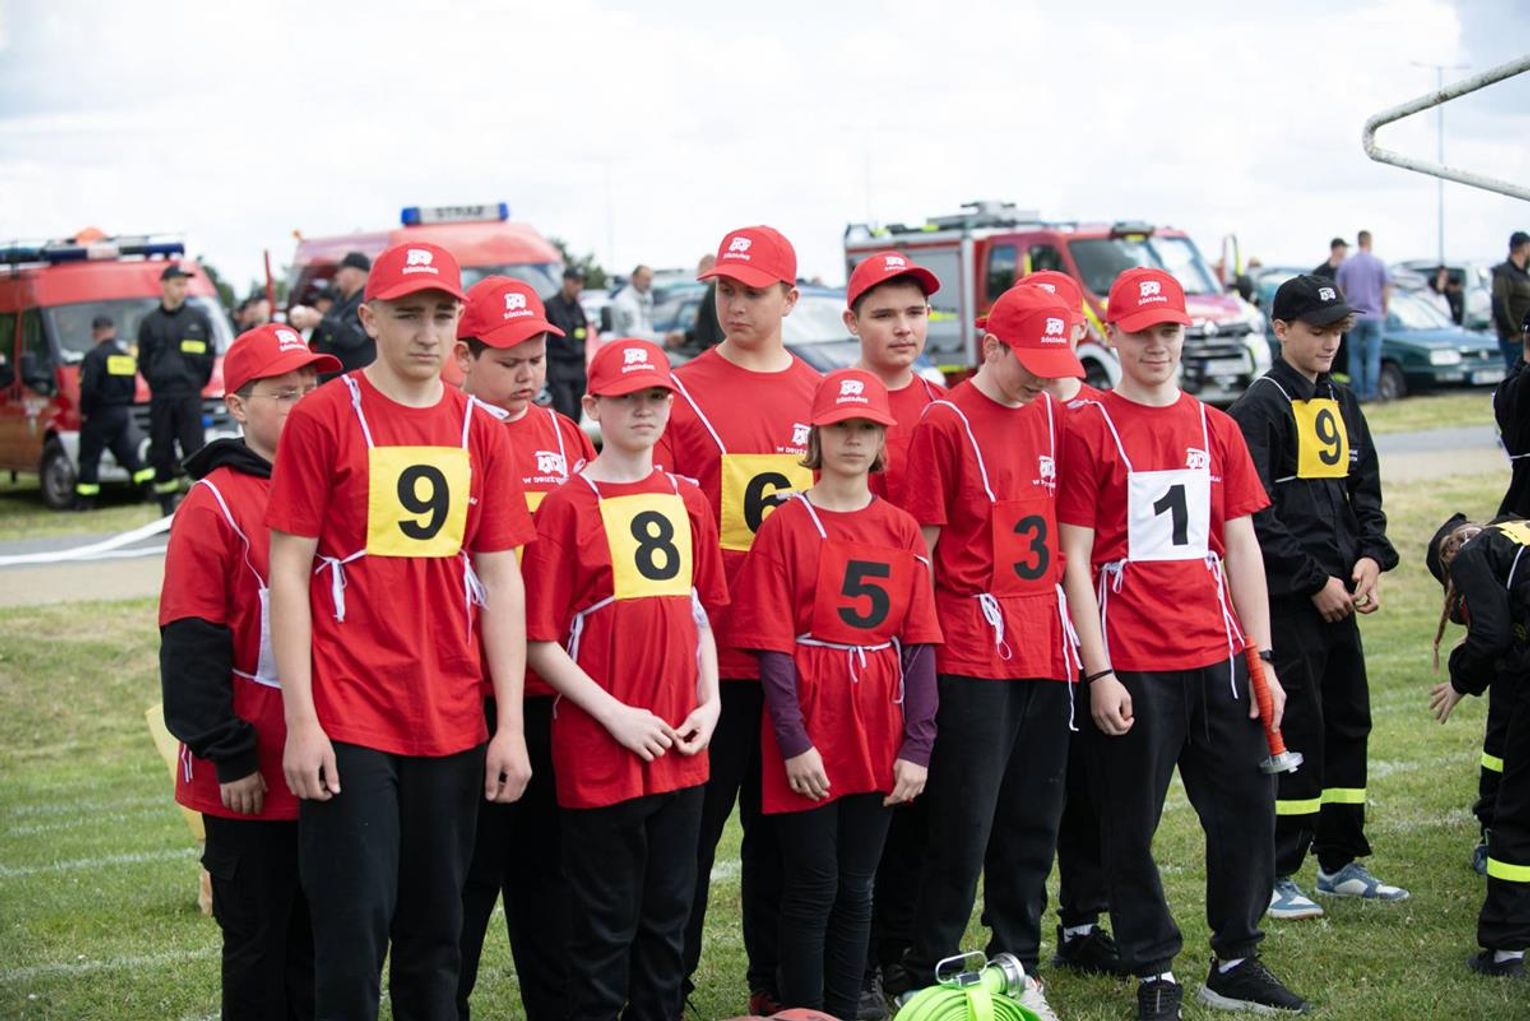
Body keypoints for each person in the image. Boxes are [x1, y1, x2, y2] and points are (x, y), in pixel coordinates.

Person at [267, 241, 536, 1020]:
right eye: (408, 314)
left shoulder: (481, 429)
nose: (426, 332)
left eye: (442, 315)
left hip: (450, 717)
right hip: (350, 713)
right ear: (369, 318)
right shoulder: (324, 416)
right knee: (352, 938)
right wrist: (302, 720)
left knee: (437, 940)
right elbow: (289, 571)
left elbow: (502, 579)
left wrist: (510, 725)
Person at [1058, 267, 1309, 1019]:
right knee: (1128, 823)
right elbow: (1074, 559)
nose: (1157, 345)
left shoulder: (1215, 426)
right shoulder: (1087, 427)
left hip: (1220, 657)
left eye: (1169, 330)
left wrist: (1262, 658)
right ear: (1112, 335)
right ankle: (1153, 966)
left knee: (1246, 809)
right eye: (1141, 332)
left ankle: (1235, 959)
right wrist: (1099, 670)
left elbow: (1242, 546)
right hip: (1134, 663)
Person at [894, 285, 1089, 1021]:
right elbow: (922, 555)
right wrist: (916, 663)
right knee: (962, 821)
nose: (1042, 377)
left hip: (1044, 642)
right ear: (992, 346)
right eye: (1030, 362)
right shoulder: (945, 421)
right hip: (972, 648)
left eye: (1053, 364)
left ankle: (1017, 960)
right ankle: (929, 966)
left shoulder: (1050, 411)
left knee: (1033, 817)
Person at [523, 337, 728, 1021]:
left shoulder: (688, 497)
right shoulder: (566, 505)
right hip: (601, 750)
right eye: (626, 397)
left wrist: (711, 702)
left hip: (681, 745)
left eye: (656, 396)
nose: (644, 409)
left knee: (668, 924)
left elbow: (700, 615)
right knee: (602, 929)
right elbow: (539, 641)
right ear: (593, 405)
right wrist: (615, 715)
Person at [729, 368, 942, 1019]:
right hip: (811, 720)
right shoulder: (787, 525)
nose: (853, 439)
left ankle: (843, 1007)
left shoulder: (901, 528)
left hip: (878, 720)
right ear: (815, 437)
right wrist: (793, 740)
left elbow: (919, 640)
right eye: (840, 426)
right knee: (812, 883)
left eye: (866, 427)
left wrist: (919, 744)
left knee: (857, 887)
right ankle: (803, 1009)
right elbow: (771, 644)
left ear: (882, 440)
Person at [657, 225, 820, 1015]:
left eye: (753, 291)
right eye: (725, 289)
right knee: (685, 841)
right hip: (708, 663)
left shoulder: (823, 394)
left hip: (794, 661)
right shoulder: (676, 391)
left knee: (782, 840)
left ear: (790, 298)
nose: (735, 304)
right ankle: (665, 988)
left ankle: (775, 988)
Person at [161, 323, 340, 1020]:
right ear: (237, 405)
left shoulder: (337, 485)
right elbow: (190, 642)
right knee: (260, 948)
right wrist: (228, 752)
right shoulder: (213, 503)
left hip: (335, 761)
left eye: (311, 389)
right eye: (283, 393)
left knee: (324, 949)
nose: (303, 404)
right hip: (250, 774)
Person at [1228, 274, 1405, 923]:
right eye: (1317, 330)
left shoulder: (1343, 399)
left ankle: (1340, 860)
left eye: (1338, 331)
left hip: (1340, 597)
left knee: (1349, 720)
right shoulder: (1260, 407)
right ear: (1281, 330)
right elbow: (1254, 517)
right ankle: (1278, 871)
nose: (1329, 342)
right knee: (1296, 728)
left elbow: (1366, 491)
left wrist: (1370, 557)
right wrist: (1313, 581)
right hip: (1291, 601)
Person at [452, 276, 594, 1021]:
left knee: (551, 880)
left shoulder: (565, 435)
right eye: (509, 361)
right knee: (467, 882)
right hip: (471, 698)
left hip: (555, 695)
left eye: (536, 358)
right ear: (464, 357)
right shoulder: (445, 433)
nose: (527, 374)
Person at [1022, 269, 1122, 976]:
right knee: (1025, 797)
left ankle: (1084, 920)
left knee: (1090, 786)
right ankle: (1013, 938)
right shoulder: (1004, 407)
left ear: (1081, 329)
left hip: (1094, 624)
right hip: (1021, 624)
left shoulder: (1105, 413)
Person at [1427, 514, 1530, 978]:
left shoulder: (1472, 556)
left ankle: (1505, 950)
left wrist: (1461, 681)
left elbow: (1492, 636)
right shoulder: (1515, 533)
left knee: (1518, 816)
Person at [844, 250, 944, 510]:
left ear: (928, 313)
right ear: (852, 321)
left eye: (914, 313)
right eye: (884, 315)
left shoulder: (945, 406)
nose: (903, 328)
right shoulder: (826, 403)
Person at [138, 263, 216, 514]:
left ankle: (199, 507)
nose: (182, 289)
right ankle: (166, 508)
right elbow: (143, 361)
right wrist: (158, 380)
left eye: (185, 284)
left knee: (195, 449)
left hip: (189, 394)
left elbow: (208, 357)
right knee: (161, 451)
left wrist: (194, 382)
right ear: (164, 285)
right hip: (161, 395)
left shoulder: (197, 319)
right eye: (177, 284)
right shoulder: (150, 323)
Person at [74, 314, 154, 509]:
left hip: (99, 414)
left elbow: (88, 388)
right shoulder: (125, 357)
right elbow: (132, 388)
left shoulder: (94, 357)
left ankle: (85, 501)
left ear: (95, 333)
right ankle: (149, 486)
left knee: (88, 458)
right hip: (122, 413)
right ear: (113, 331)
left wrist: (84, 411)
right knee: (127, 455)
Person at [289, 251, 373, 375]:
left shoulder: (368, 301)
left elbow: (353, 335)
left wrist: (319, 320)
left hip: (355, 378)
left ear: (353, 274)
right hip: (333, 378)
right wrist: (307, 320)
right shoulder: (341, 300)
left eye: (340, 271)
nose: (336, 276)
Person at [1334, 230, 1389, 402]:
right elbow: (1386, 288)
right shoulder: (1379, 264)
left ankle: (1357, 393)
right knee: (1373, 357)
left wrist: (1344, 308)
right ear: (1369, 242)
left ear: (1358, 242)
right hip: (1374, 315)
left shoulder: (1347, 265)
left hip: (1354, 316)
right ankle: (1371, 393)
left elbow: (1339, 289)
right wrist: (1384, 309)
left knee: (1355, 356)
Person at [542, 266, 593, 420]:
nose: (579, 287)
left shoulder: (578, 308)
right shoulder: (550, 306)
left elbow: (582, 335)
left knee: (576, 416)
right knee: (566, 414)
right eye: (576, 282)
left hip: (577, 370)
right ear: (565, 281)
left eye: (581, 283)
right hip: (558, 368)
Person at [1492, 231, 1530, 372]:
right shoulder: (1504, 272)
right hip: (1514, 340)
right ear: (1524, 247)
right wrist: (1512, 332)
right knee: (1517, 378)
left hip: (1524, 338)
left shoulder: (1522, 273)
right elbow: (1500, 304)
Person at [684, 254, 726, 352]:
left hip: (713, 349)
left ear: (709, 266)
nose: (698, 273)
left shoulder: (715, 289)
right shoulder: (713, 289)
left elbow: (720, 326)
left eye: (700, 267)